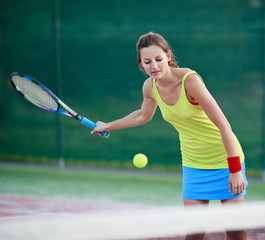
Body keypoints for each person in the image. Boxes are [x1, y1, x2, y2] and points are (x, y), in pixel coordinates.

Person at [91, 32, 248, 240]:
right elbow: (142, 115)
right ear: (141, 64)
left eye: (158, 59)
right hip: (194, 163)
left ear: (168, 56)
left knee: (235, 231)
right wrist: (109, 125)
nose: (154, 66)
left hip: (225, 159)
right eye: (147, 62)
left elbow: (223, 125)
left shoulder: (190, 81)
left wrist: (235, 170)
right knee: (194, 232)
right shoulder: (150, 86)